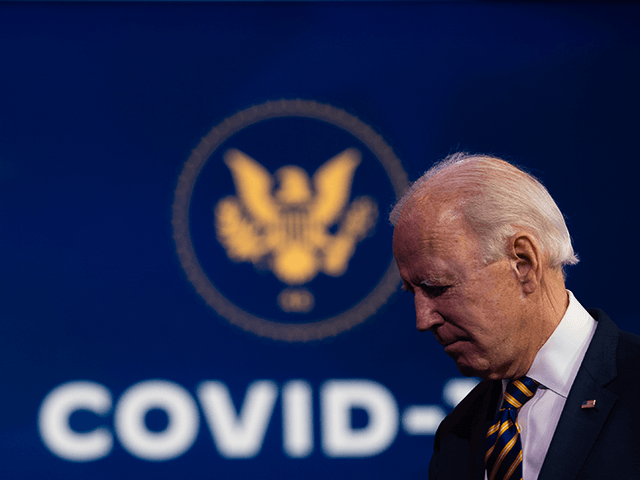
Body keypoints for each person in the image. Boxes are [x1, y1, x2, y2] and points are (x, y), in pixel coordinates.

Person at [390, 153, 640, 480]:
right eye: (413, 293)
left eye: (437, 287)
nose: (423, 320)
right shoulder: (457, 436)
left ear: (523, 263)